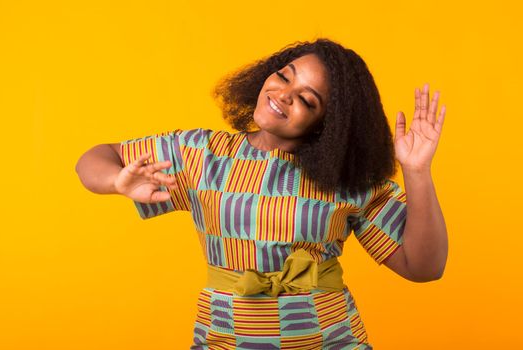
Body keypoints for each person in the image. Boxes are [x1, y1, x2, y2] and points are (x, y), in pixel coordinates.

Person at [75, 38, 448, 349]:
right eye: (284, 76)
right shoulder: (201, 155)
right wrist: (116, 180)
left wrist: (417, 172)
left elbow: (423, 267)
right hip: (222, 341)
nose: (283, 95)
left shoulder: (346, 179)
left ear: (327, 125)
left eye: (307, 100)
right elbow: (93, 159)